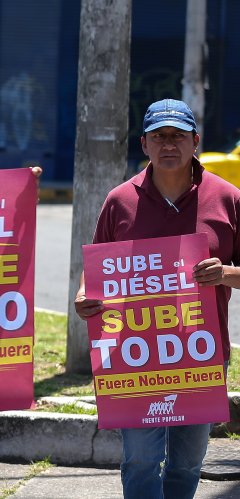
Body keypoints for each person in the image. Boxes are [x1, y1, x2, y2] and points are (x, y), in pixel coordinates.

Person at [75, 98, 240, 498]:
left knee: (187, 462)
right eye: (159, 136)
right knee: (141, 460)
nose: (169, 144)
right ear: (144, 144)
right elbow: (98, 267)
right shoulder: (120, 200)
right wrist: (84, 296)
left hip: (200, 353)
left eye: (178, 136)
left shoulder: (228, 198)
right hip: (136, 355)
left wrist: (226, 273)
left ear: (195, 141)